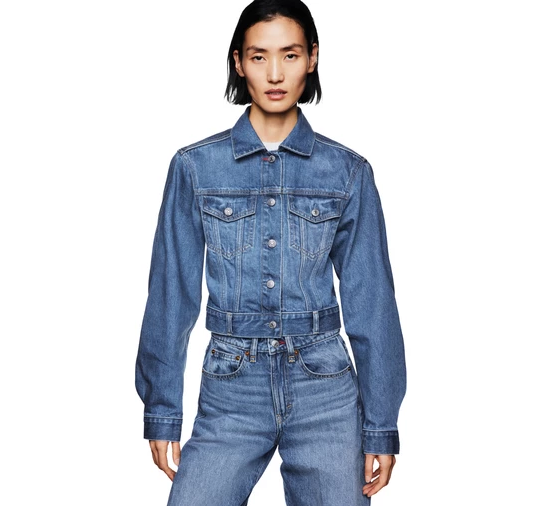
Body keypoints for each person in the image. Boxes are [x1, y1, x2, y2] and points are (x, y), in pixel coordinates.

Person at [135, 1, 407, 504]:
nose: (276, 74)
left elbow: (373, 303)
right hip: (231, 384)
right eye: (260, 57)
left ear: (312, 58)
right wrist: (162, 409)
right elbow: (171, 294)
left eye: (290, 55)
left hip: (325, 387)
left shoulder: (349, 173)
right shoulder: (195, 167)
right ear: (239, 63)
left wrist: (381, 424)